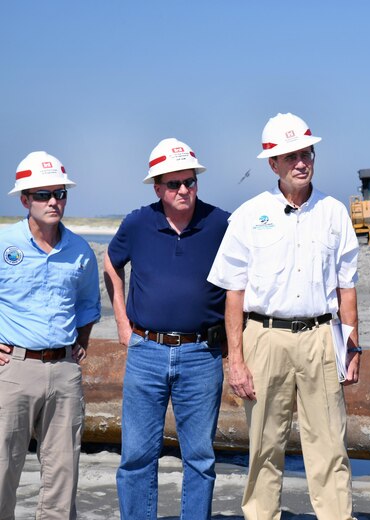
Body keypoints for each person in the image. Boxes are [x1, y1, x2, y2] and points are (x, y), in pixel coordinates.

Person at [207, 112, 361, 520]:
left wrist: (351, 345)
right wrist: (235, 360)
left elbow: (347, 287)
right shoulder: (247, 215)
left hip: (320, 338)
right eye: (290, 155)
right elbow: (233, 295)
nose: (300, 161)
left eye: (306, 152)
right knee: (263, 447)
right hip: (265, 338)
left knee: (330, 447)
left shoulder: (335, 213)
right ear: (272, 163)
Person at [105, 138, 229, 519]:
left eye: (189, 182)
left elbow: (243, 282)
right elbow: (112, 265)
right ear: (157, 187)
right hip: (146, 352)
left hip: (202, 355)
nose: (183, 190)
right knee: (137, 457)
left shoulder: (221, 222)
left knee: (200, 458)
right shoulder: (137, 223)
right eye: (173, 184)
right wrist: (123, 325)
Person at [0, 151, 100, 519]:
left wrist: (82, 343)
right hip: (13, 369)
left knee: (62, 473)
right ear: (25, 199)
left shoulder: (79, 250)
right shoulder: (3, 243)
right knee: (2, 469)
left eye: (59, 193)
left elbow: (89, 305)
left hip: (63, 371)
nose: (54, 201)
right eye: (42, 194)